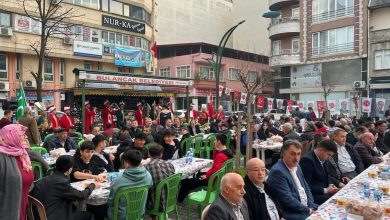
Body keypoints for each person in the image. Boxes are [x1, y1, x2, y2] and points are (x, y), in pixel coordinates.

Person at [31, 155, 99, 220]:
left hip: (37, 215)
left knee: (73, 207)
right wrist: (92, 185)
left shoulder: (44, 179)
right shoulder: (61, 182)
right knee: (89, 214)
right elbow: (81, 196)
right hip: (53, 216)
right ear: (70, 169)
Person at [267, 140, 318, 219]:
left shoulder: (297, 166)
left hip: (305, 207)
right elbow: (287, 200)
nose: (297, 158)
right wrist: (308, 210)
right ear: (283, 153)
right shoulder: (278, 172)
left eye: (298, 154)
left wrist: (310, 204)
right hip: (291, 212)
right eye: (292, 154)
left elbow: (306, 186)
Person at [178, 133, 233, 202]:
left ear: (219, 141)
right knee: (199, 174)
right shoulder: (227, 152)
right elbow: (216, 165)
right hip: (220, 178)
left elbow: (216, 170)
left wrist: (206, 176)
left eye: (215, 140)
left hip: (214, 180)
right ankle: (188, 190)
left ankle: (179, 199)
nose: (214, 142)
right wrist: (216, 150)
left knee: (187, 182)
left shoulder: (220, 156)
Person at [0, 124, 34, 220]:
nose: (25, 137)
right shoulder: (2, 157)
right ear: (11, 137)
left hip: (22, 210)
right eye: (22, 135)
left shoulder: (22, 154)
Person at [107, 150, 152, 220]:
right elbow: (150, 186)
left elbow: (110, 202)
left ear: (127, 163)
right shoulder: (148, 175)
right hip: (139, 212)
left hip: (121, 216)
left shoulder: (118, 181)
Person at [300, 140, 339, 205]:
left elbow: (327, 175)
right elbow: (306, 186)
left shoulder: (323, 158)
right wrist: (326, 190)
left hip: (324, 192)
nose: (330, 158)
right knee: (336, 204)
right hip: (314, 196)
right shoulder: (307, 160)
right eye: (329, 155)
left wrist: (330, 184)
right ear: (321, 150)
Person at [145, 144, 175, 219]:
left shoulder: (147, 167)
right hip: (170, 200)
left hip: (155, 204)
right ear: (161, 154)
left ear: (149, 154)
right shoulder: (170, 164)